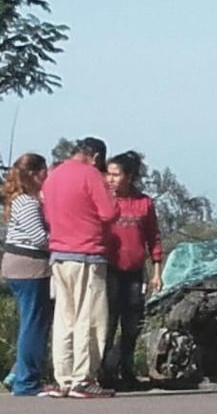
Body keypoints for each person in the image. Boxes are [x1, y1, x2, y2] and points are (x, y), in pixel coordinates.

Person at [41, 137, 119, 398]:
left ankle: (63, 378)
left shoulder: (53, 175)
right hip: (86, 254)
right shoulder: (90, 176)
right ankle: (83, 379)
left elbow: (48, 216)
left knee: (65, 318)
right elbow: (109, 213)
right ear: (96, 157)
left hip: (59, 255)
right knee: (91, 318)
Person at [100, 151, 163, 390]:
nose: (111, 179)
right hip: (110, 271)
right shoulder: (105, 200)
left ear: (129, 176)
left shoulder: (144, 203)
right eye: (109, 174)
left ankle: (126, 370)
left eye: (116, 174)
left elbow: (153, 237)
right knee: (108, 322)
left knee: (133, 323)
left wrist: (156, 271)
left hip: (135, 272)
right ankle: (104, 371)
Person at [1, 153, 52, 396]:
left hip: (18, 266)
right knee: (34, 324)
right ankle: (26, 381)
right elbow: (40, 239)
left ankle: (20, 374)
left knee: (29, 322)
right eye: (44, 171)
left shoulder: (21, 201)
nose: (47, 175)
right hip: (29, 266)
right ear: (33, 174)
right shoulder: (28, 203)